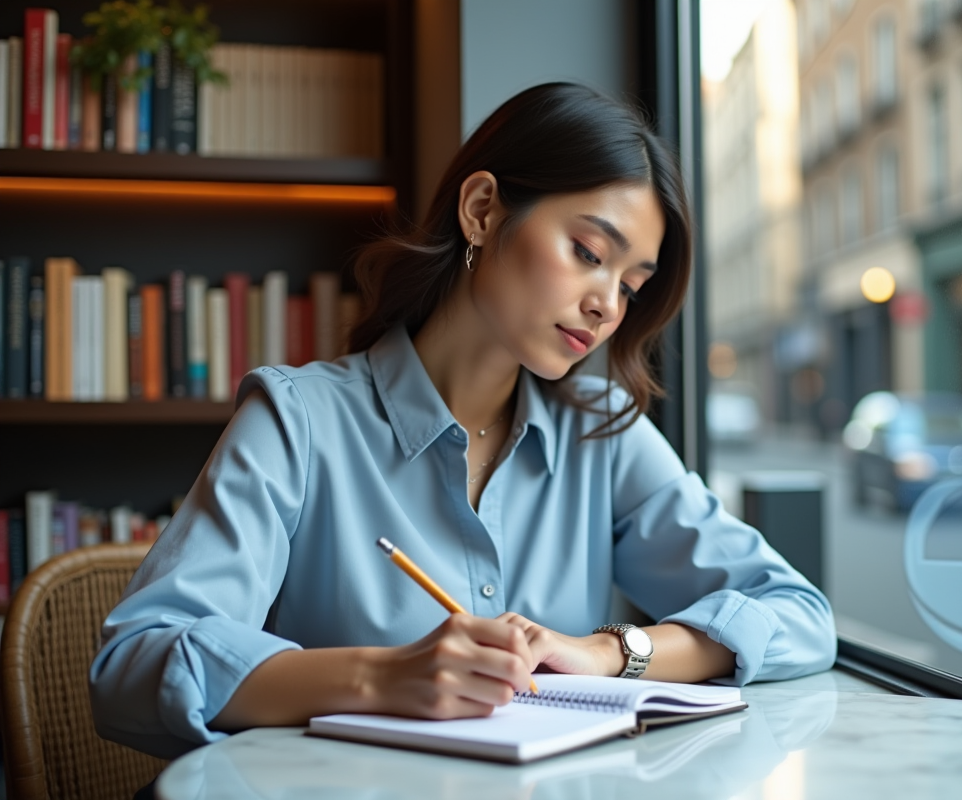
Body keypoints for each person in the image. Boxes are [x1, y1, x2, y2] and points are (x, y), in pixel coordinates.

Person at [90, 83, 836, 759]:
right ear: (482, 210)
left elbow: (800, 614)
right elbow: (133, 666)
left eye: (632, 287)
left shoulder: (602, 435)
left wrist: (612, 652)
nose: (608, 305)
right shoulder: (299, 420)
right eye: (587, 252)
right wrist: (382, 676)